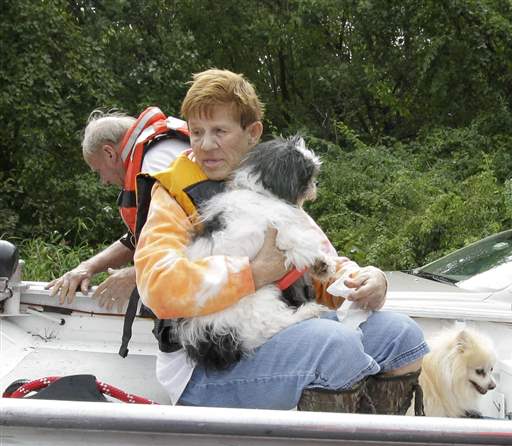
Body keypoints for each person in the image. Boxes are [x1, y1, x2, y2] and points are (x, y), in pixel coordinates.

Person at [134, 68, 428, 413]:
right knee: (334, 342)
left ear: (252, 133)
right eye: (196, 132)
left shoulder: (273, 185)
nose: (205, 145)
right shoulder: (171, 196)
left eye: (220, 131)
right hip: (206, 367)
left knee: (400, 334)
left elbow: (322, 264)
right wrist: (254, 273)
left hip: (279, 334)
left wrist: (366, 280)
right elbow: (157, 285)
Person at [46, 108, 190, 310]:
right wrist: (87, 267)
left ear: (109, 153)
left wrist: (136, 275)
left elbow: (201, 235)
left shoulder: (155, 166)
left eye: (98, 171)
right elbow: (145, 236)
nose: (103, 181)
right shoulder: (161, 151)